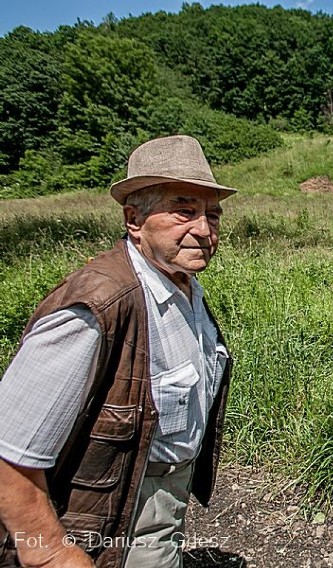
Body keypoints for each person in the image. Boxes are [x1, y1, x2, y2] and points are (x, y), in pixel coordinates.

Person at [0, 135, 236, 568]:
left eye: (212, 215)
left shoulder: (181, 283)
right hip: (110, 510)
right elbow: (8, 452)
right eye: (184, 210)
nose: (204, 230)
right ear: (134, 220)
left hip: (159, 493)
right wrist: (51, 553)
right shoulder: (100, 305)